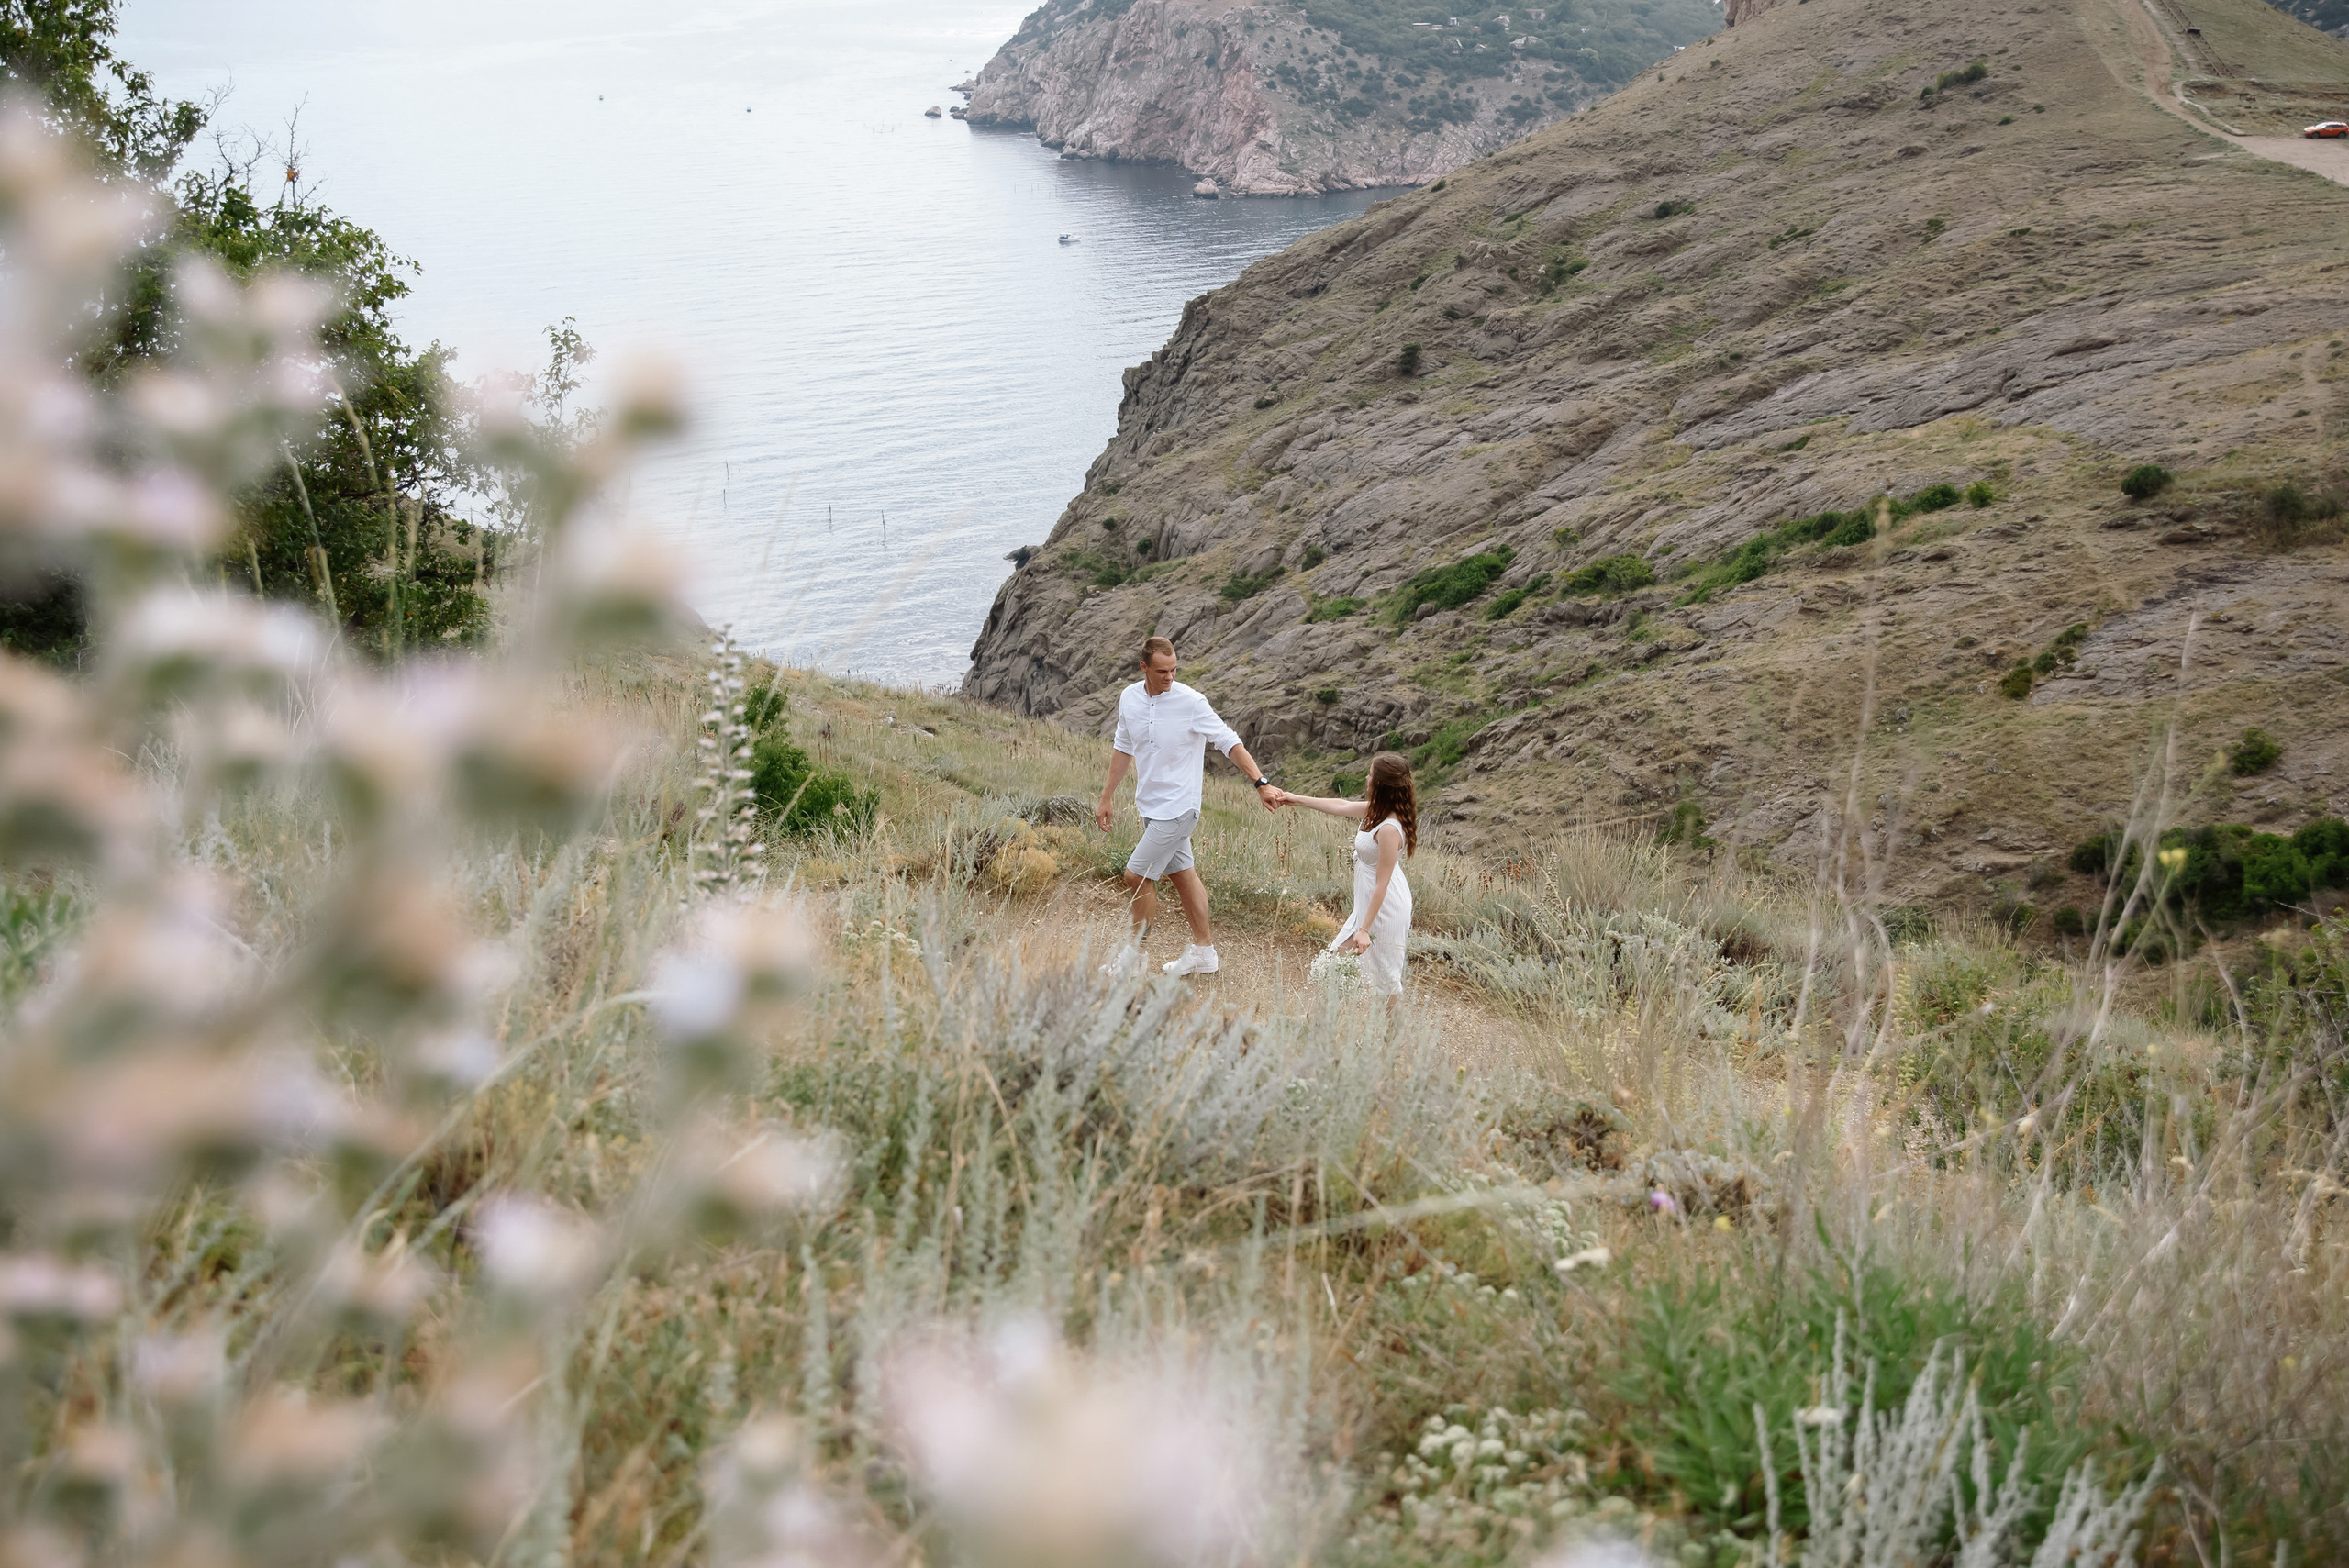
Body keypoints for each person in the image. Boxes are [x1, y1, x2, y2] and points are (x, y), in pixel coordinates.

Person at [1096, 636, 1279, 977]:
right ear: (1144, 668)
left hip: (1180, 808)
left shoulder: (1192, 702)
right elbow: (1123, 747)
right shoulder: (1129, 698)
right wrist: (1106, 796)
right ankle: (1204, 954)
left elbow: (1228, 741)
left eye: (1174, 669)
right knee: (1182, 874)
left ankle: (1134, 958)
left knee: (1136, 875)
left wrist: (1260, 782)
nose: (1170, 677)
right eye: (1162, 671)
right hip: (1150, 806)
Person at [1267, 752, 1417, 1004]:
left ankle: (1392, 1040)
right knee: (1335, 961)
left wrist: (1364, 929)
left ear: (1380, 784)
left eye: (1371, 774)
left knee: (1386, 980)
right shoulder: (1376, 811)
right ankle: (1316, 1028)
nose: (1367, 778)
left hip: (1385, 906)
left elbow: (1382, 883)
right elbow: (1342, 805)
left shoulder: (1390, 828)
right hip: (1368, 904)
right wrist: (1295, 799)